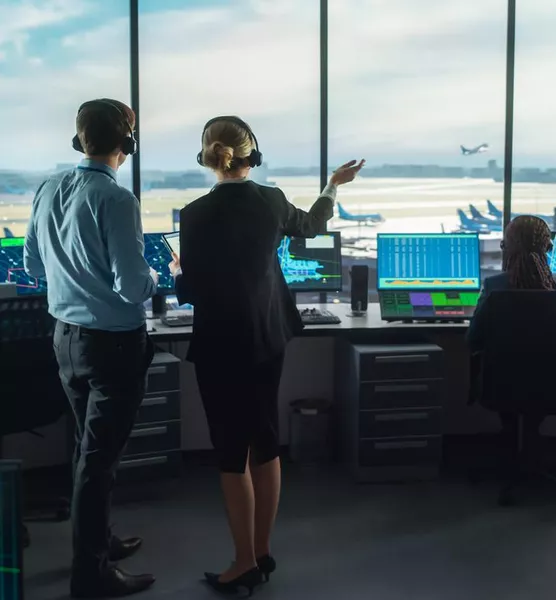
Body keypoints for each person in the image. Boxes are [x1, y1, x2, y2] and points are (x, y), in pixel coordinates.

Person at [168, 115, 364, 595]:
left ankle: (242, 562)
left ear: (208, 156)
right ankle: (261, 550)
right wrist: (332, 185)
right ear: (251, 154)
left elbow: (191, 290)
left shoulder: (193, 215)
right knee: (265, 438)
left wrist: (177, 270)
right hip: (267, 336)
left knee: (231, 450)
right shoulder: (272, 200)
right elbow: (315, 225)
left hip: (220, 343)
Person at [24, 99, 158, 598]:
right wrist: (162, 277)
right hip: (113, 348)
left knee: (88, 451)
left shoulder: (48, 187)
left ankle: (99, 541)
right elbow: (130, 286)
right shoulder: (117, 200)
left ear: (79, 140)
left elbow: (35, 267)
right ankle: (91, 573)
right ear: (127, 144)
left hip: (65, 341)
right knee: (98, 463)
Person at [467, 214, 556, 353]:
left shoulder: (493, 286)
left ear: (505, 247)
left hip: (505, 374)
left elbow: (473, 339)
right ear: (548, 248)